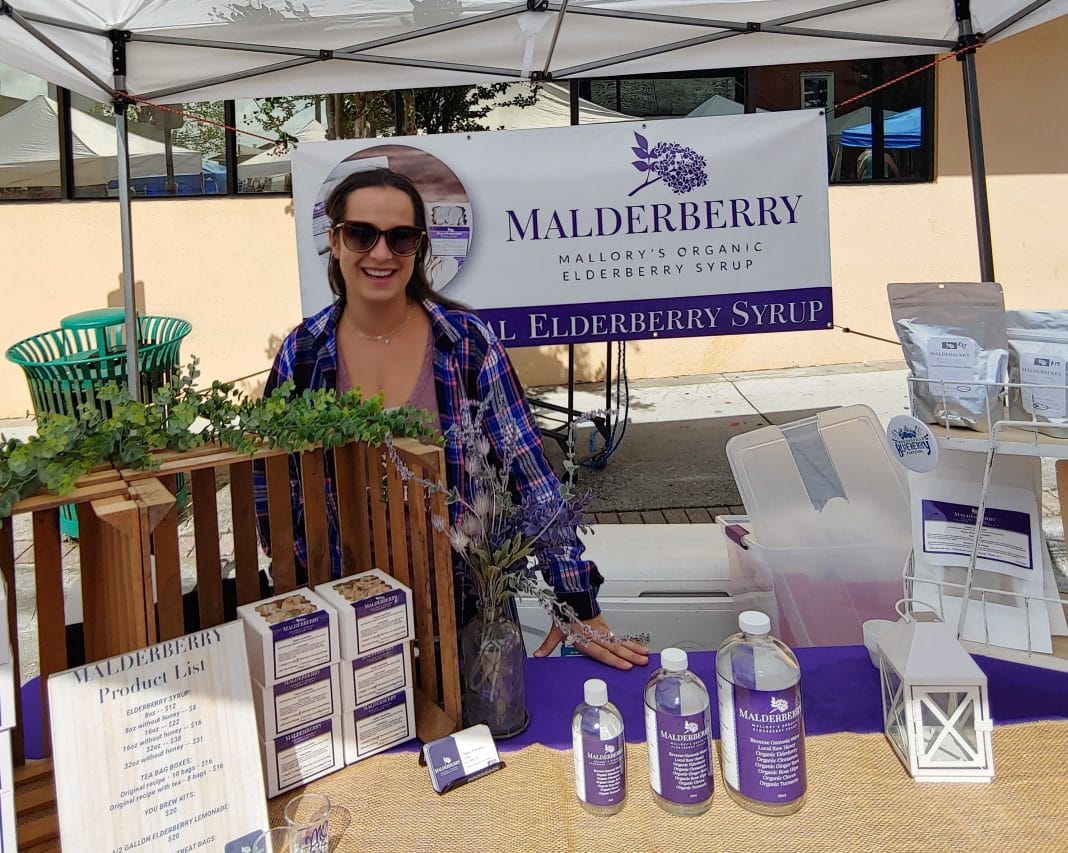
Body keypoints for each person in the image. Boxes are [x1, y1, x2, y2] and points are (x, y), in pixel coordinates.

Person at [255, 167, 648, 671]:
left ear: (419, 247)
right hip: (344, 617)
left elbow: (531, 477)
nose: (381, 253)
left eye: (401, 238)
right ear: (334, 241)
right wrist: (296, 603)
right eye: (361, 234)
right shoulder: (303, 354)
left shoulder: (466, 344)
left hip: (467, 617)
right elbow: (277, 491)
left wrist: (577, 604)